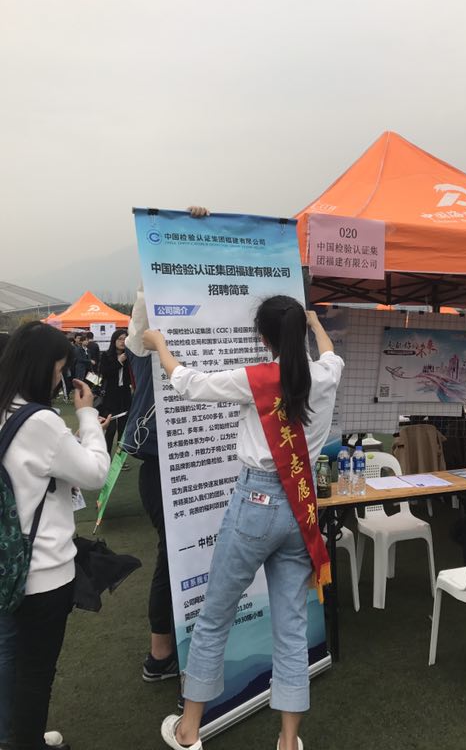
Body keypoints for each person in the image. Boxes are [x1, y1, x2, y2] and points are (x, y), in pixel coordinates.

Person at [143, 298, 344, 750]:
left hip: (255, 502)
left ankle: (189, 730)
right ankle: (288, 740)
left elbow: (189, 383)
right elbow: (332, 353)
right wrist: (316, 325)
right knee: (291, 628)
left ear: (264, 338)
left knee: (215, 615)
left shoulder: (257, 379)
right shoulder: (326, 374)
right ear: (301, 333)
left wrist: (160, 345)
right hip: (300, 509)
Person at [0, 322, 110, 750]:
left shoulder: (7, 406)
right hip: (42, 571)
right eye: (60, 367)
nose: (61, 377)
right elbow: (95, 473)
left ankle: (14, 736)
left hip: (9, 564)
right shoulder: (41, 421)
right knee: (35, 673)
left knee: (11, 659)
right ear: (43, 365)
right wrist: (87, 417)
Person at [122, 206, 211, 684]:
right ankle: (160, 654)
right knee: (171, 551)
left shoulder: (208, 343)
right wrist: (178, 230)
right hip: (162, 464)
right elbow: (144, 304)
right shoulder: (146, 343)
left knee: (200, 549)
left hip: (204, 460)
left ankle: (195, 637)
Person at [99, 329, 132, 454]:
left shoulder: (130, 356)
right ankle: (106, 456)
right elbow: (105, 373)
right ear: (114, 340)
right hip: (110, 396)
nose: (122, 342)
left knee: (123, 430)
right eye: (120, 339)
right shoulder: (106, 355)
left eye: (125, 339)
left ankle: (119, 458)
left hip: (124, 395)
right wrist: (119, 362)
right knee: (111, 429)